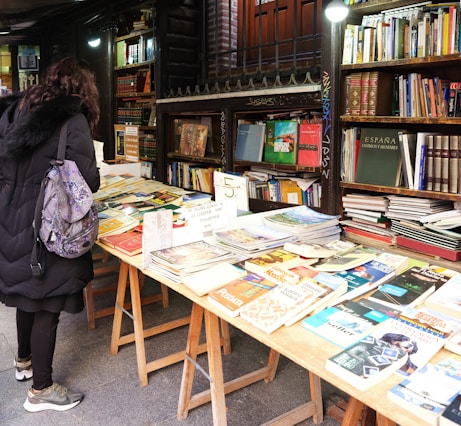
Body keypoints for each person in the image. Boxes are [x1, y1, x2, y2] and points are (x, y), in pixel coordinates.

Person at [0, 57, 100, 412]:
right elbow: (88, 182)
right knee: (47, 305)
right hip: (48, 226)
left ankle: (24, 361)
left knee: (28, 294)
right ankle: (41, 390)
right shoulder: (71, 121)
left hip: (12, 219)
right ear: (81, 88)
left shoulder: (14, 112)